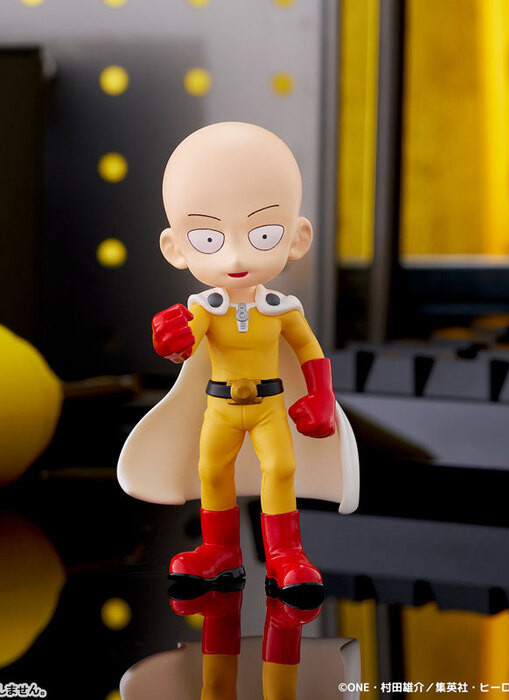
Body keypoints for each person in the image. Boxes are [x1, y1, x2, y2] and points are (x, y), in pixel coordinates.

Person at [118, 122, 358, 597]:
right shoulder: (205, 309)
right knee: (212, 471)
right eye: (208, 239)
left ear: (297, 237)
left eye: (263, 234)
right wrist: (170, 339)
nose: (234, 257)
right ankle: (220, 550)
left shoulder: (282, 310)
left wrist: (321, 397)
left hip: (270, 406)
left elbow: (309, 351)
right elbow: (186, 344)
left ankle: (286, 554)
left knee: (281, 468)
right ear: (175, 248)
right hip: (220, 406)